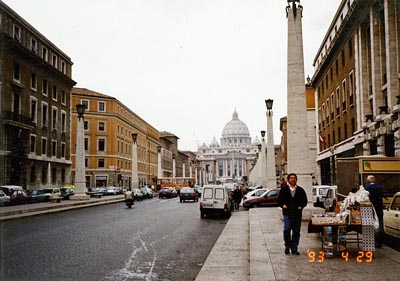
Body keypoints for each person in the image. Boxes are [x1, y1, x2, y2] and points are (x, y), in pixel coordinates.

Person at [277, 173, 308, 255]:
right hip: (287, 213)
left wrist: (301, 206)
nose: (293, 179)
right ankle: (287, 246)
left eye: (294, 178)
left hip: (297, 214)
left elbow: (304, 200)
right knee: (287, 229)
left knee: (296, 231)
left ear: (296, 180)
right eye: (291, 178)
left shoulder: (300, 190)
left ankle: (294, 248)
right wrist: (282, 205)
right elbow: (279, 200)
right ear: (288, 180)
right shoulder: (284, 190)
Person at [364, 175, 383, 248]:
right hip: (379, 208)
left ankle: (373, 241)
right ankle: (380, 242)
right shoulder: (379, 187)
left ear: (368, 181)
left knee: (371, 225)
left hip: (370, 209)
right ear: (374, 180)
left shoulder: (366, 188)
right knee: (380, 224)